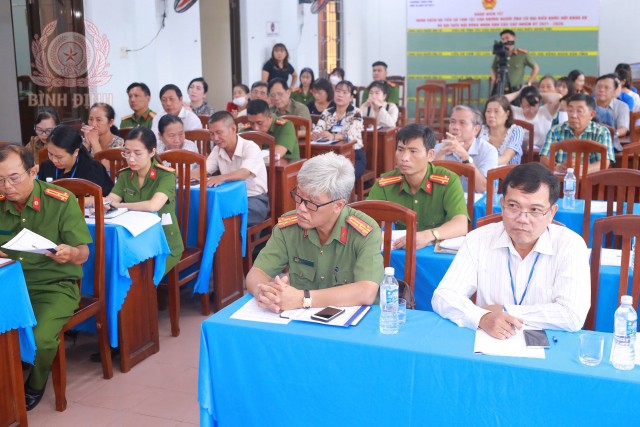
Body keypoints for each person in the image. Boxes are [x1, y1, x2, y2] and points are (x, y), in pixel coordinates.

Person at [432, 162, 590, 337]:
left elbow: (572, 315)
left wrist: (504, 310)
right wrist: (483, 317)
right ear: (502, 204)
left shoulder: (570, 245)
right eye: (513, 206)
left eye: (535, 210)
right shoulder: (478, 239)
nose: (522, 219)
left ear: (552, 212)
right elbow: (444, 296)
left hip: (549, 347)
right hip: (490, 342)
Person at [0, 144, 92, 410]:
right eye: (0, 180)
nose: (6, 186)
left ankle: (36, 383)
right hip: (10, 285)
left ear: (33, 171)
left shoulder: (59, 200)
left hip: (55, 286)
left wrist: (70, 252)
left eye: (13, 178)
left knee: (40, 337)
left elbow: (84, 253)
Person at [246, 151, 384, 313]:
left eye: (312, 204)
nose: (301, 209)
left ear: (338, 205)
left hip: (352, 324)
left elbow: (366, 291)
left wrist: (303, 299)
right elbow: (257, 272)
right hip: (301, 320)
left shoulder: (365, 232)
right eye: (299, 197)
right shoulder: (289, 227)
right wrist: (263, 291)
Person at [367, 124, 468, 249]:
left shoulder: (448, 181)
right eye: (400, 150)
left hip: (434, 254)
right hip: (400, 251)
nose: (404, 158)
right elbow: (366, 221)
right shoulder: (385, 183)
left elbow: (461, 224)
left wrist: (428, 235)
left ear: (430, 155)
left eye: (413, 151)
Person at [104, 127, 184, 274]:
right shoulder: (125, 175)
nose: (131, 159)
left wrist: (120, 206)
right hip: (135, 241)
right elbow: (111, 200)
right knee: (112, 267)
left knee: (138, 275)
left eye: (137, 153)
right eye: (127, 152)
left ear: (152, 152)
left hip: (163, 244)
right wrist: (103, 204)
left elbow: (153, 205)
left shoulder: (166, 175)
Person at [205, 111, 269, 227]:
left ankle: (233, 245)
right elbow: (203, 170)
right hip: (230, 197)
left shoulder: (250, 147)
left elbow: (244, 173)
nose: (215, 138)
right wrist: (178, 173)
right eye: (211, 134)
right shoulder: (217, 149)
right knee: (205, 211)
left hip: (254, 200)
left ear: (233, 129)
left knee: (220, 216)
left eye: (219, 133)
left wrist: (221, 178)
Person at [539, 93, 614, 173]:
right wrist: (557, 166)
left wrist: (580, 170)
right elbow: (544, 157)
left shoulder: (601, 132)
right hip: (561, 180)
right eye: (570, 111)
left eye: (579, 111)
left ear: (591, 114)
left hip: (591, 181)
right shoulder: (555, 131)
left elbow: (605, 162)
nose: (573, 115)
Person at [433, 105, 498, 193]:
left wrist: (465, 157)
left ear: (476, 129)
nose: (455, 127)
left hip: (475, 205)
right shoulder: (440, 148)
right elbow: (433, 186)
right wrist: (440, 156)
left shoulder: (489, 151)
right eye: (452, 122)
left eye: (462, 123)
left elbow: (482, 188)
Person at [38, 125, 114, 196]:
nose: (54, 160)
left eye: (59, 157)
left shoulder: (92, 168)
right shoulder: (46, 166)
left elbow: (106, 197)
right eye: (50, 154)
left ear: (75, 152)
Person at [311, 80, 366, 179]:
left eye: (345, 92)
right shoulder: (327, 112)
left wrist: (333, 136)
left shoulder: (356, 112)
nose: (340, 95)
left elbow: (352, 135)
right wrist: (315, 134)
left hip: (354, 156)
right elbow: (319, 127)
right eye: (338, 91)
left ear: (351, 98)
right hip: (332, 154)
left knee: (342, 178)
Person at [490, 29, 539, 94]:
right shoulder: (499, 54)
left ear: (514, 38)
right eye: (503, 39)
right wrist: (494, 79)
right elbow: (493, 68)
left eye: (507, 38)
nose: (505, 40)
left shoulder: (522, 54)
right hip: (500, 90)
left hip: (516, 91)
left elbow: (536, 68)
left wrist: (528, 83)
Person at [479, 95, 524, 165]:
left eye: (496, 111)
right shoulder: (479, 130)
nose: (491, 115)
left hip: (509, 174)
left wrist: (483, 163)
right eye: (488, 111)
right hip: (483, 173)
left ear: (507, 114)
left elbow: (506, 158)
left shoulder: (516, 131)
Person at [594, 73, 630, 144]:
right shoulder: (586, 104)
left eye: (606, 88)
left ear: (614, 92)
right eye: (599, 87)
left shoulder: (622, 106)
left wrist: (612, 134)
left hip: (612, 142)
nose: (601, 90)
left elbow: (623, 128)